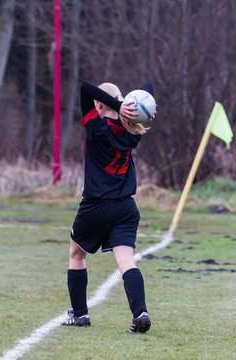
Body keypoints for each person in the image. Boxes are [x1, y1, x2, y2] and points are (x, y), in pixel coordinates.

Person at [62, 80, 155, 333]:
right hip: (126, 208)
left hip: (95, 207)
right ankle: (140, 313)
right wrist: (144, 104)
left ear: (100, 105)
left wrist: (118, 103)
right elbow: (147, 86)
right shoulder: (133, 130)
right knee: (126, 261)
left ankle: (79, 315)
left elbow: (83, 87)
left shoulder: (95, 127)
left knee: (76, 254)